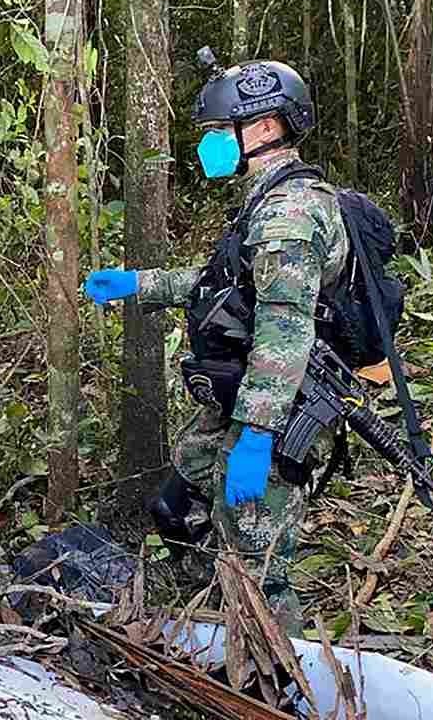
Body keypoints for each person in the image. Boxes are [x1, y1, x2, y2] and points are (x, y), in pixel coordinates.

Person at [84, 58, 348, 633]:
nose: (208, 146)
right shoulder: (266, 199)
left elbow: (285, 327)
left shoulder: (290, 214)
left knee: (258, 564)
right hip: (241, 395)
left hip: (282, 407)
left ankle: (283, 677)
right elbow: (225, 287)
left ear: (263, 128)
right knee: (177, 505)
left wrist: (256, 435)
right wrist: (139, 284)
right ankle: (205, 614)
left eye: (215, 133)